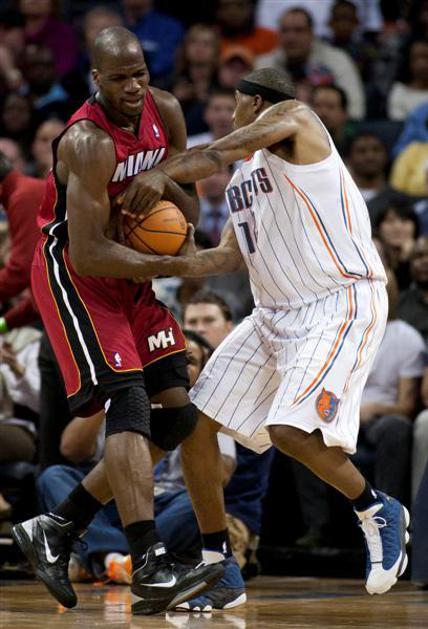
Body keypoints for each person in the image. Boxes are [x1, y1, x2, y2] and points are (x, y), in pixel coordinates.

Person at [125, 66, 409, 606]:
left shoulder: (299, 120)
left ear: (254, 103)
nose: (231, 113)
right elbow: (228, 256)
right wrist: (152, 262)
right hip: (273, 314)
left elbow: (217, 151)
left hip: (338, 301)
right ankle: (218, 567)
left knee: (288, 431)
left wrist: (161, 174)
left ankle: (377, 508)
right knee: (194, 423)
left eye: (235, 103)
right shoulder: (242, 180)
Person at [11, 26, 222, 616]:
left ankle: (58, 526)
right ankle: (149, 562)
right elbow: (86, 253)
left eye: (140, 74)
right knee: (127, 400)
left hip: (133, 271)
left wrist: (163, 179)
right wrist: (174, 262)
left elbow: (189, 206)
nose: (134, 87)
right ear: (96, 78)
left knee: (177, 414)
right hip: (77, 274)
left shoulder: (166, 111)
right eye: (120, 77)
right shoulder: (86, 141)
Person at [256, 7, 365, 119]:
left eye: (298, 30)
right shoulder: (264, 65)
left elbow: (355, 109)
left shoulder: (337, 60)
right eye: (285, 31)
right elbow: (252, 109)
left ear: (311, 33)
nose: (291, 37)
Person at [0, 150, 44, 332]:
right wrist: (4, 324)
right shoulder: (23, 192)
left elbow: (22, 270)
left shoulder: (22, 197)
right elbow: (43, 291)